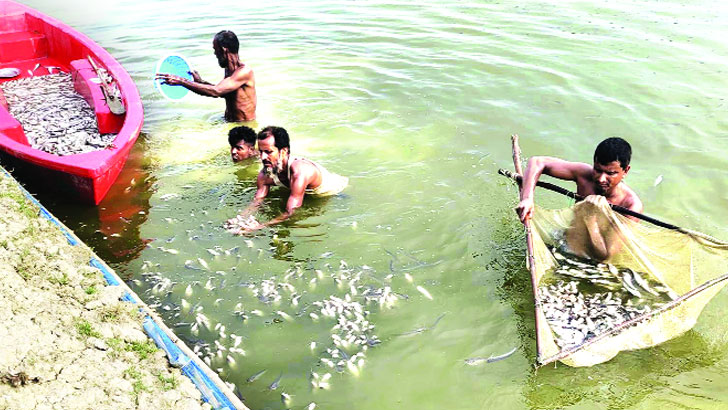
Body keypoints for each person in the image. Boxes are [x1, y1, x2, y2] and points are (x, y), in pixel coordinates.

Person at [515, 137, 643, 261]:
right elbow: (537, 162)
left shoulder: (631, 205)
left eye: (610, 173)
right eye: (597, 170)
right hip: (565, 240)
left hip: (590, 261)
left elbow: (606, 255)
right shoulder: (585, 175)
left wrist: (589, 216)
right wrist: (527, 198)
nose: (600, 179)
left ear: (625, 171)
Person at [225, 126, 348, 233]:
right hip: (301, 191)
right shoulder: (265, 174)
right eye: (261, 152)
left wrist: (260, 226)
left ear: (283, 152)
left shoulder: (300, 171)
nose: (262, 157)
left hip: (334, 193)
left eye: (268, 152)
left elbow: (292, 213)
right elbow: (257, 201)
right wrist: (239, 219)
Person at [155, 30, 256, 122]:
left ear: (224, 50)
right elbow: (224, 92)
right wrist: (201, 82)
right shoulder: (228, 71)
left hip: (244, 126)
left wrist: (181, 81)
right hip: (228, 121)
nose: (215, 53)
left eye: (215, 49)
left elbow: (217, 91)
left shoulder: (245, 72)